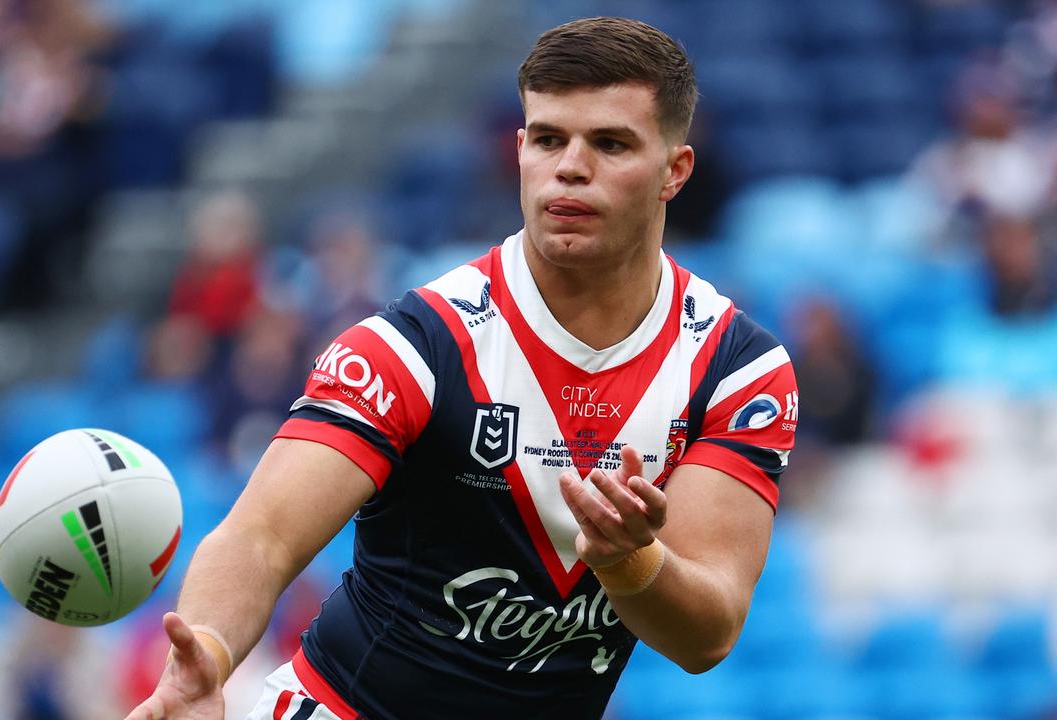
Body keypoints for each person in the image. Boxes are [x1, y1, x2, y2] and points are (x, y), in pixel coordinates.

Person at [126, 17, 798, 720]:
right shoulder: (416, 345)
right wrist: (209, 651)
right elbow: (259, 536)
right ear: (519, 150)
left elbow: (708, 634)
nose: (570, 166)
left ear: (675, 171)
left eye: (609, 143)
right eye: (548, 139)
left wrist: (629, 561)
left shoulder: (735, 369)